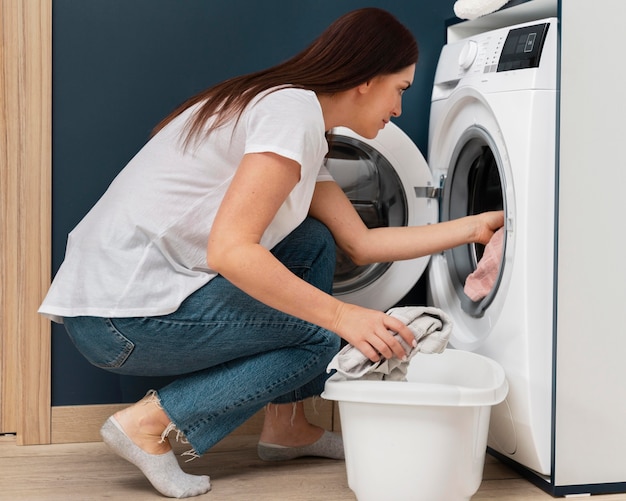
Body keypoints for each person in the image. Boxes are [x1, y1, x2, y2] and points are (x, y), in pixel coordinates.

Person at [39, 7, 504, 499]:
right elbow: (231, 252)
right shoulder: (291, 112)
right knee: (322, 338)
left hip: (123, 304)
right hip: (118, 320)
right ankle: (147, 423)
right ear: (367, 79)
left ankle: (288, 427)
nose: (399, 109)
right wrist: (343, 317)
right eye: (401, 89)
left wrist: (475, 227)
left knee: (312, 241)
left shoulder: (298, 121)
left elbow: (360, 244)